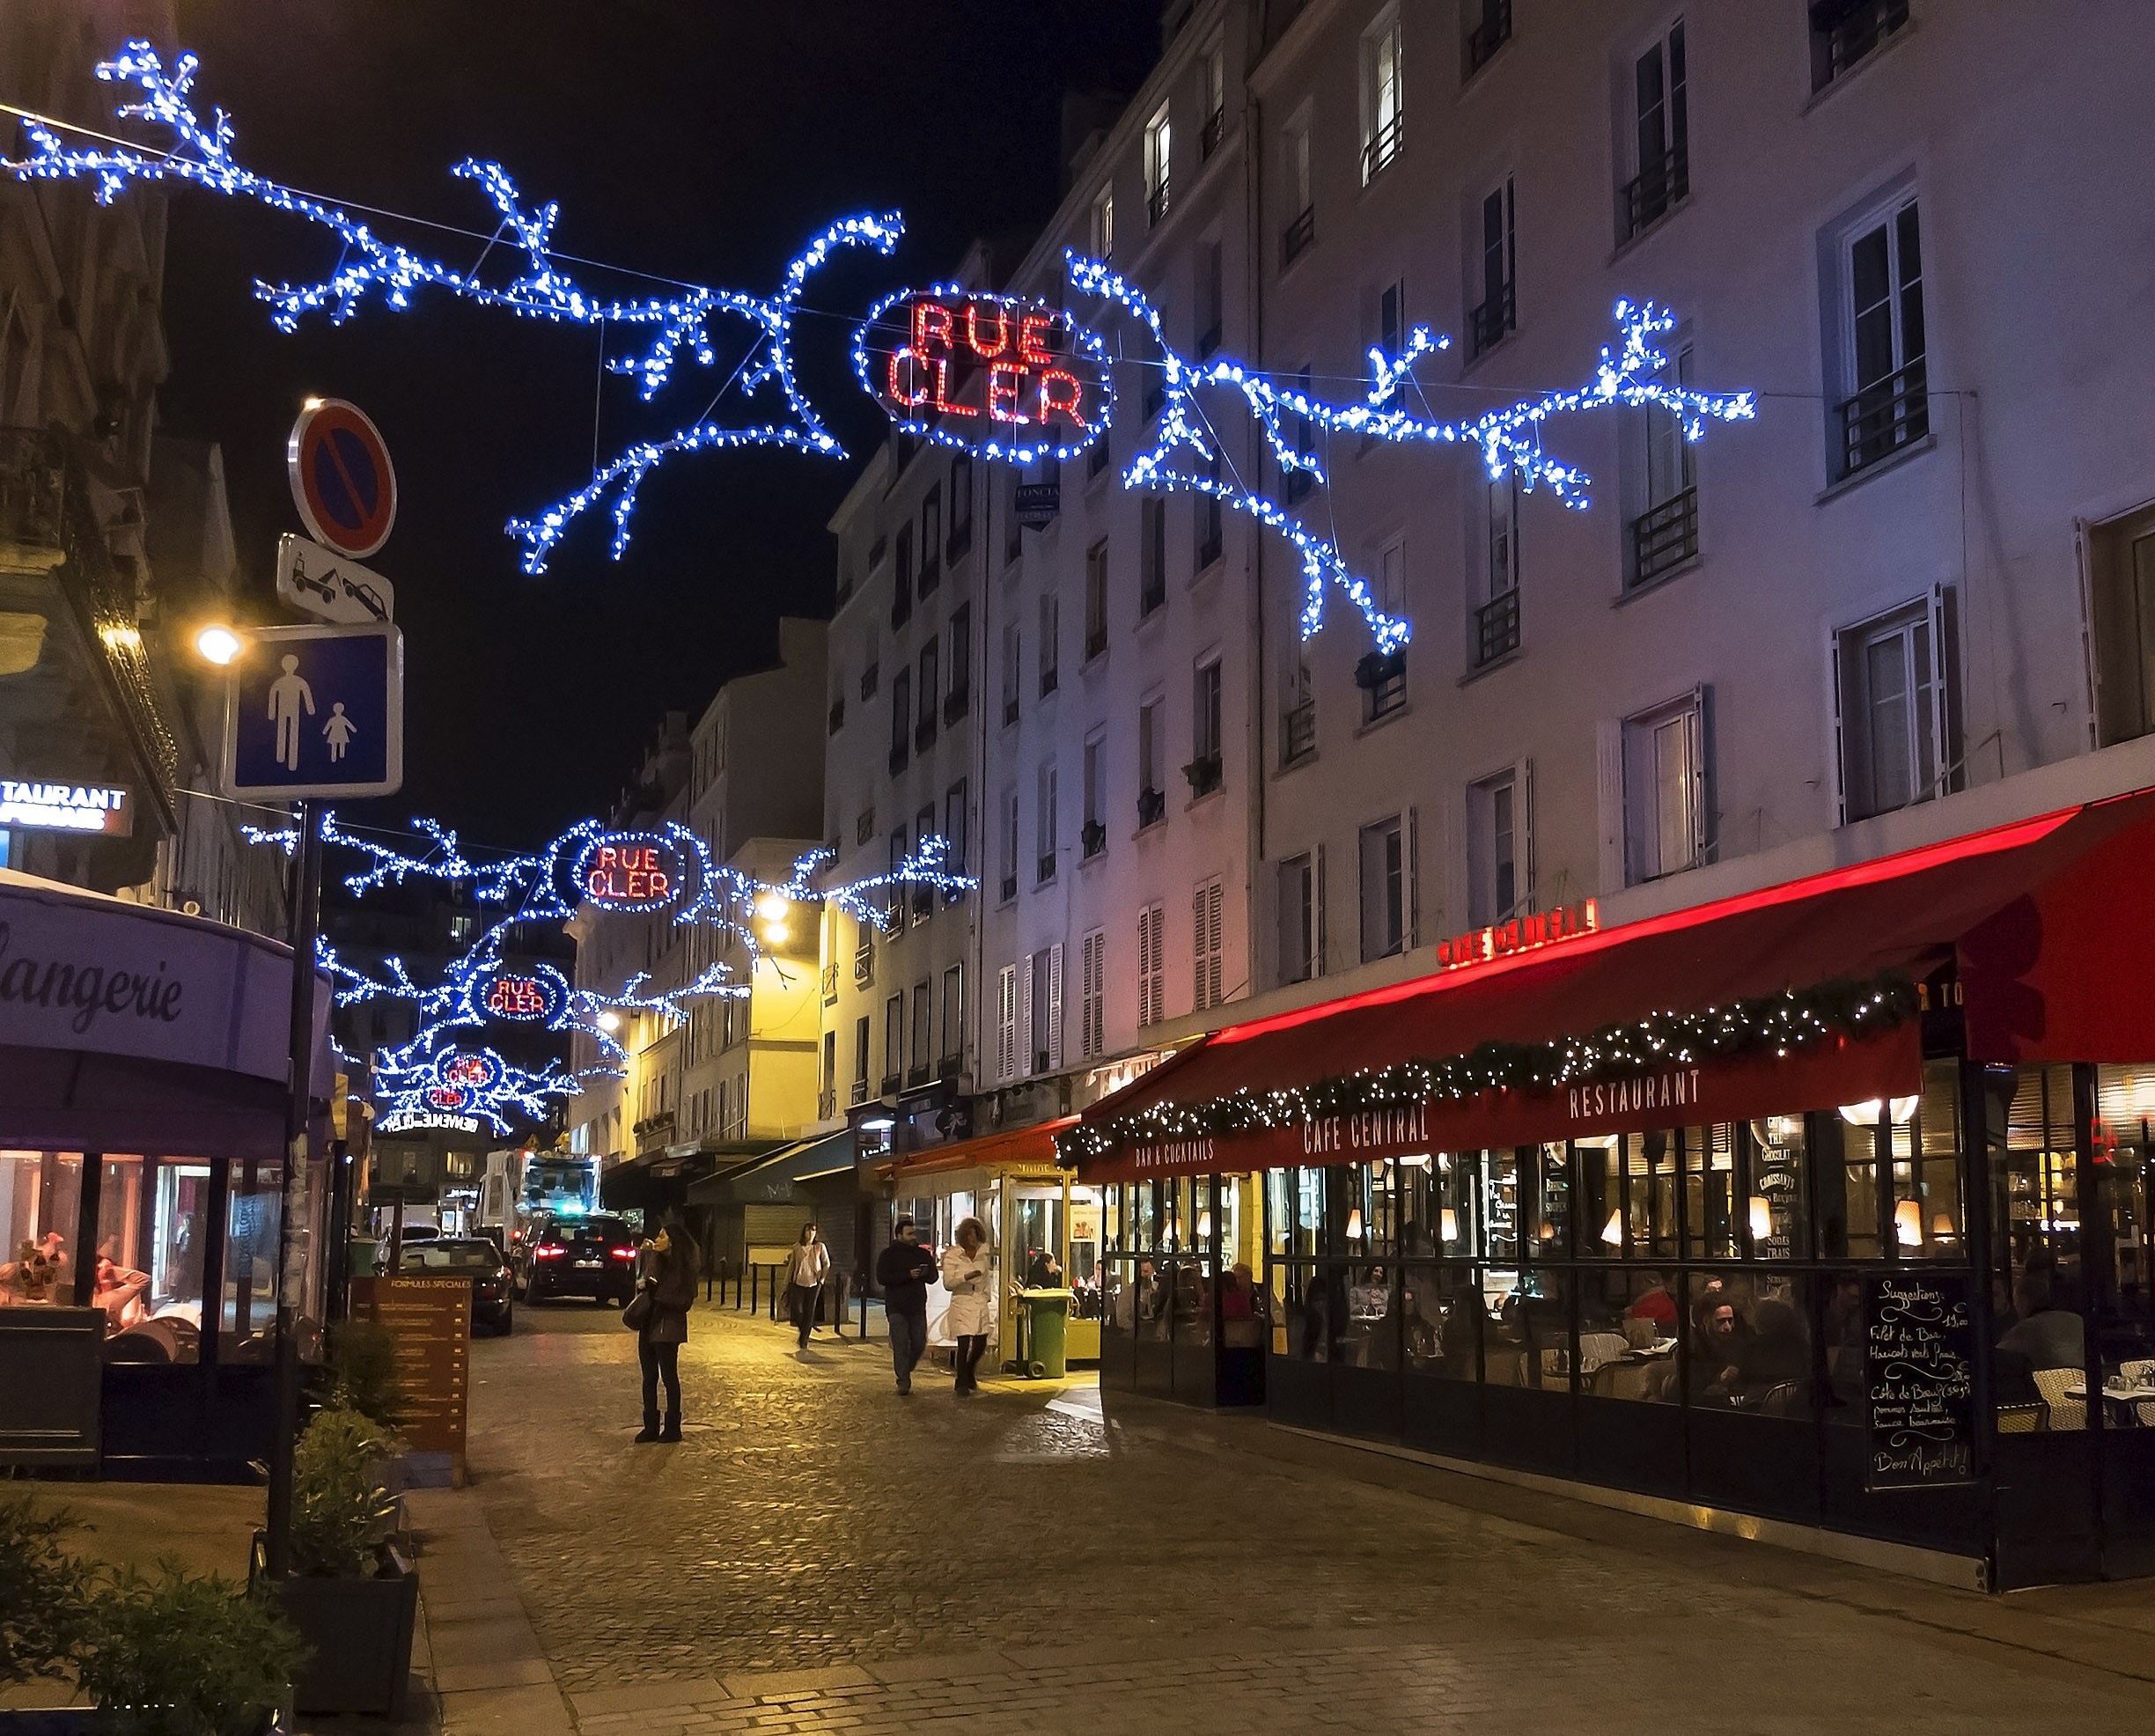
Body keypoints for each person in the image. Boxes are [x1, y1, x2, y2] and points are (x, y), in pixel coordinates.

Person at [633, 1216, 700, 1443]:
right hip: (648, 1323)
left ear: (673, 1241)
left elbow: (685, 1301)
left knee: (669, 1377)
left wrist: (660, 1298)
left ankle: (673, 1427)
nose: (656, 1240)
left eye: (662, 1236)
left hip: (668, 1327)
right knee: (648, 1377)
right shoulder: (656, 1260)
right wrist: (648, 1255)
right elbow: (643, 1280)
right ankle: (650, 1426)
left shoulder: (684, 1268)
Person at [875, 1217, 937, 1396]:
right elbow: (883, 1278)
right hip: (896, 1306)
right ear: (899, 1235)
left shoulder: (922, 1254)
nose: (913, 1237)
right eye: (909, 1234)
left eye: (914, 1233)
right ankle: (903, 1379)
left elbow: (933, 1277)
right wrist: (907, 1275)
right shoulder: (888, 1255)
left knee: (919, 1342)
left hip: (917, 1305)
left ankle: (906, 1368)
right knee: (900, 1343)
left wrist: (924, 1274)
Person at [940, 1217, 992, 1395]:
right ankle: (961, 1380)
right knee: (963, 1344)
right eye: (970, 1234)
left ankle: (969, 1371)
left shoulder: (982, 1255)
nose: (973, 1238)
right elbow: (948, 1283)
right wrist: (966, 1277)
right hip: (962, 1301)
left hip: (979, 1301)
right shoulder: (954, 1256)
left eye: (976, 1234)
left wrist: (986, 1297)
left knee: (981, 1343)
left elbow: (986, 1279)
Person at [785, 1223, 831, 1352]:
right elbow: (792, 1266)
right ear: (804, 1232)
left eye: (813, 1231)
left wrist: (822, 1279)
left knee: (809, 1311)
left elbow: (827, 1264)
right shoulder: (797, 1247)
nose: (811, 1233)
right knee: (798, 1310)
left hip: (813, 1284)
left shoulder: (819, 1247)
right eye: (808, 1230)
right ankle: (803, 1329)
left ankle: (804, 1339)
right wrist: (786, 1282)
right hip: (798, 1283)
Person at [92, 1254, 151, 1332]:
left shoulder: (107, 1299)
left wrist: (108, 1271)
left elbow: (144, 1279)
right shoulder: (102, 1300)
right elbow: (143, 1279)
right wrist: (109, 1271)